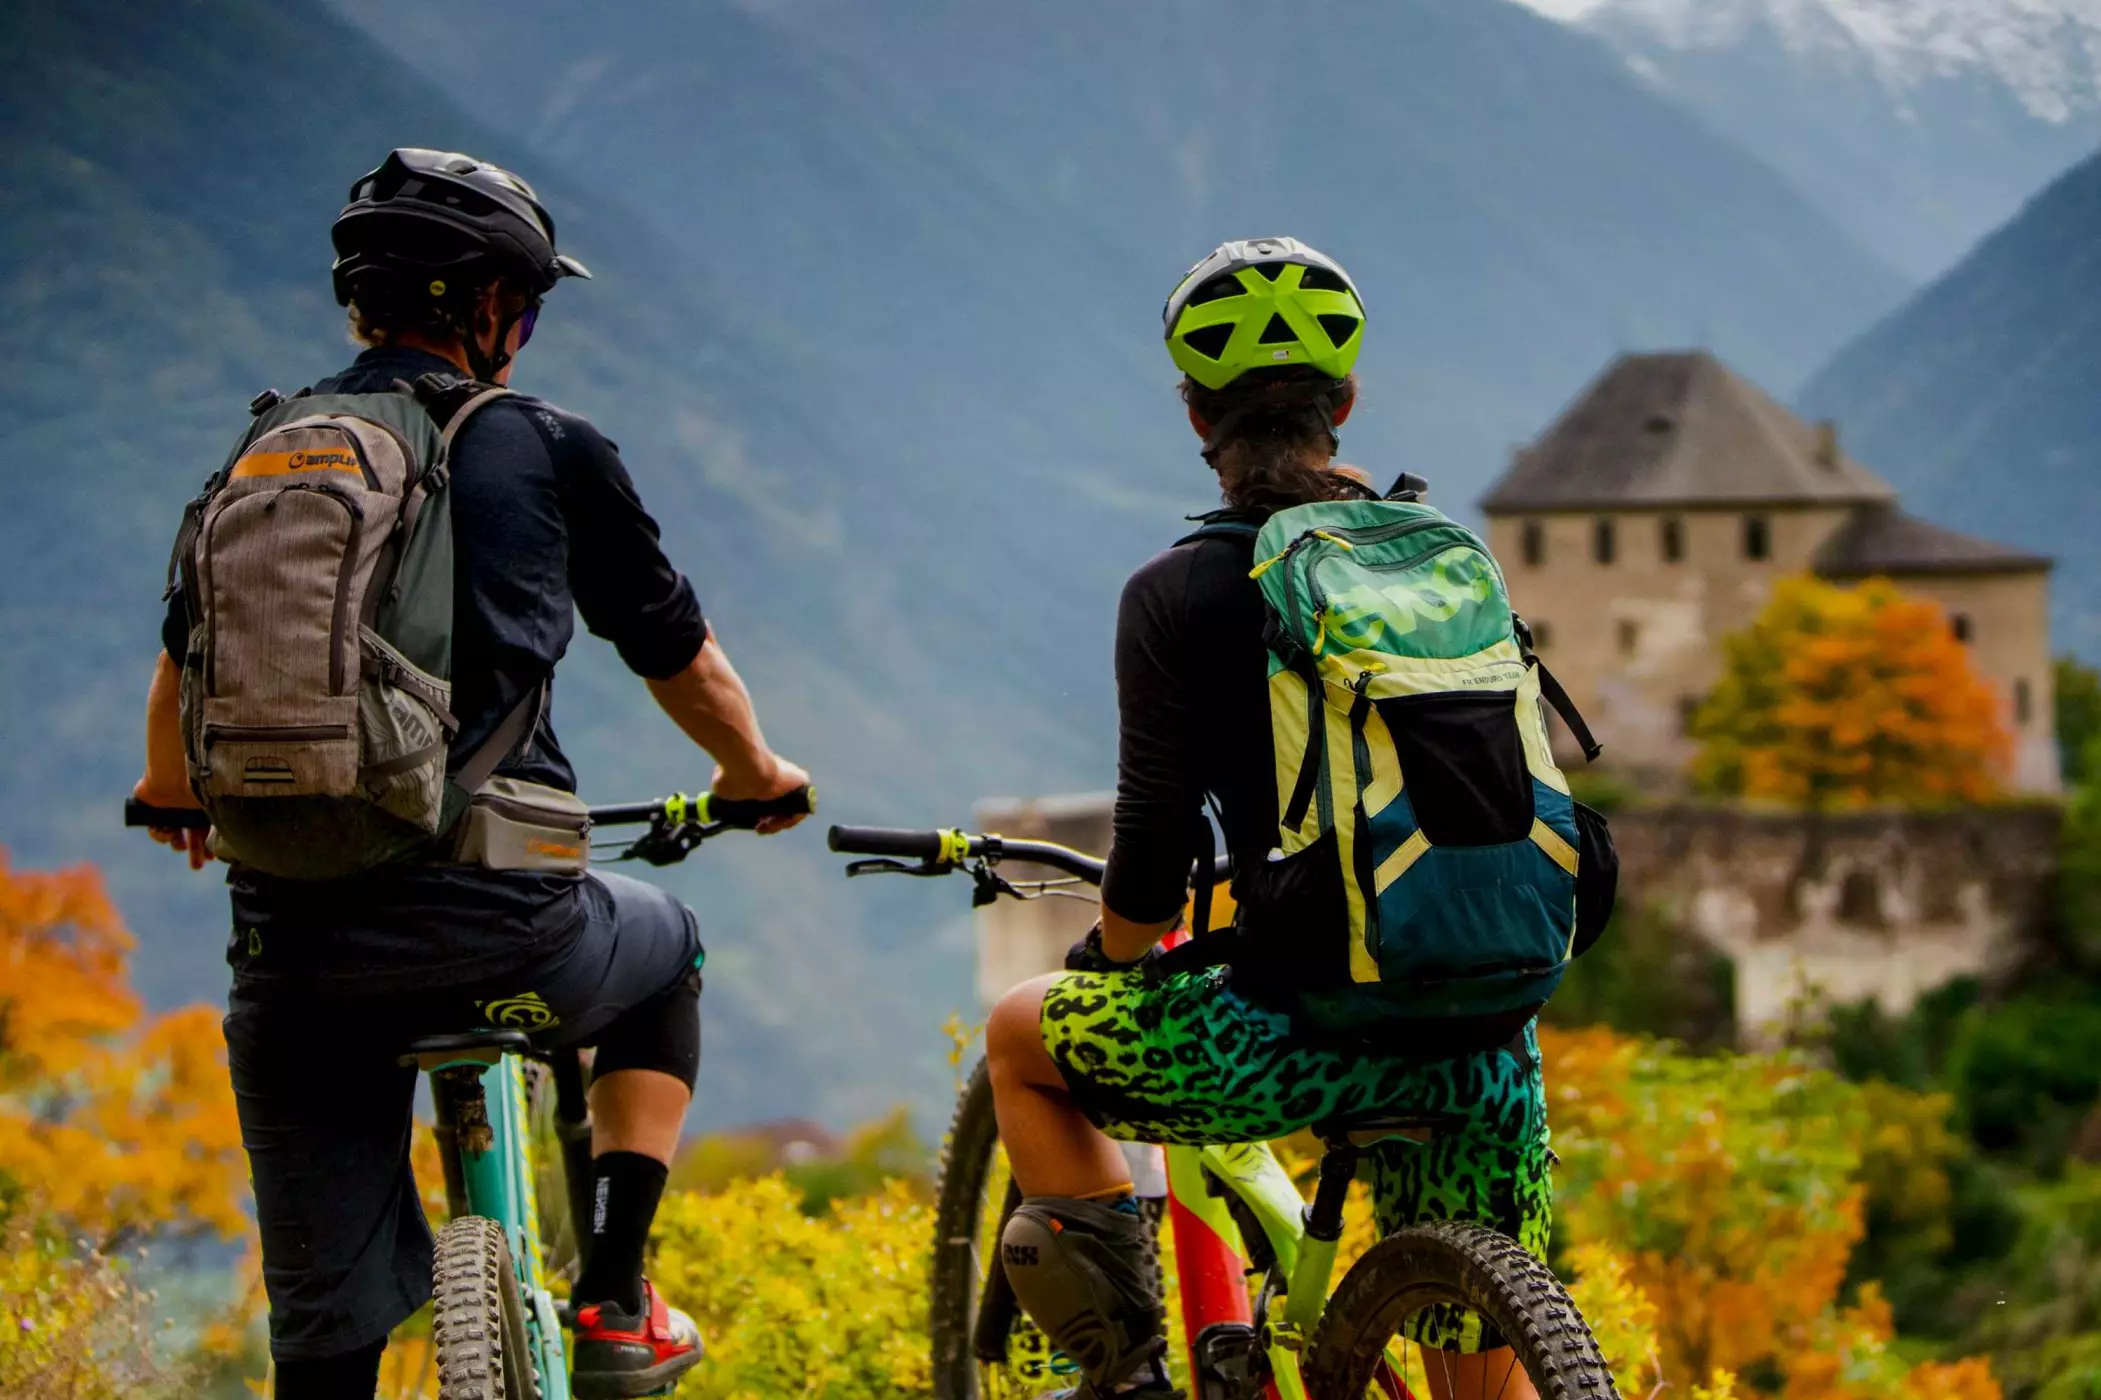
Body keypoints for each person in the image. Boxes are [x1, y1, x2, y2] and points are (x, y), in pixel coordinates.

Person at [131, 148, 810, 1400]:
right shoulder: (543, 445)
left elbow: (184, 671)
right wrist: (755, 772)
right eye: (528, 307)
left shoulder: (265, 456)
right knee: (668, 946)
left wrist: (173, 796)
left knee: (321, 1343)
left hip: (295, 963)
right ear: (489, 308)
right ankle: (613, 1297)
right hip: (507, 927)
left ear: (361, 300)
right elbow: (677, 653)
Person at [982, 239, 1554, 1400]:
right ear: (1345, 403)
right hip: (1483, 1027)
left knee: (1016, 1035)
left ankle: (1127, 1372)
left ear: (1197, 417)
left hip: (1294, 1034)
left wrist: (1116, 956)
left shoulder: (1177, 590)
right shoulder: (1448, 564)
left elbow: (1148, 848)